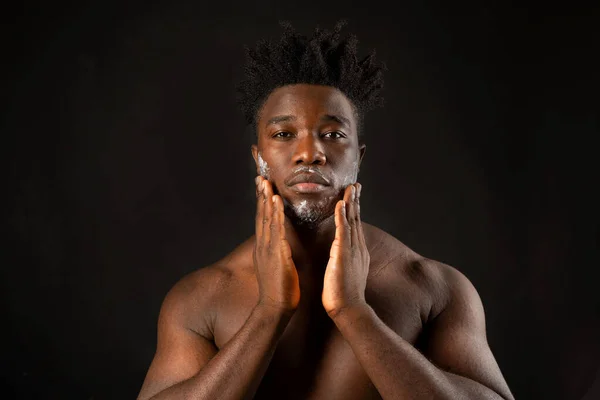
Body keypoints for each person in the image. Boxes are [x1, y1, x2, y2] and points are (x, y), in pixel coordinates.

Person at [136, 21, 514, 400]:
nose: (310, 153)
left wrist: (354, 313)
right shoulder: (202, 298)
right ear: (259, 157)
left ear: (358, 157)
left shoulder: (433, 288)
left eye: (332, 134)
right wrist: (269, 311)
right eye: (284, 135)